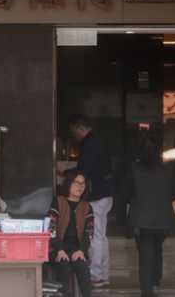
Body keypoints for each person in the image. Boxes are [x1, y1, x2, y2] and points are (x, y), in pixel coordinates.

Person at [57, 114, 114, 288]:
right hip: (106, 194)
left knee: (95, 237)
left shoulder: (91, 144)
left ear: (81, 128)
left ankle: (96, 276)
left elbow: (82, 171)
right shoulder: (98, 141)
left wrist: (65, 173)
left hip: (96, 196)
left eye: (74, 132)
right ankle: (103, 275)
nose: (73, 136)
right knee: (101, 237)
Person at [122, 136, 175, 297]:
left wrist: (139, 200)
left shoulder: (134, 170)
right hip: (164, 222)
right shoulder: (169, 170)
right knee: (157, 250)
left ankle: (147, 292)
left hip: (142, 223)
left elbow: (124, 195)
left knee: (146, 257)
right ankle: (156, 284)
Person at [48, 170, 94, 297]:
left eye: (83, 184)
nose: (80, 186)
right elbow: (52, 228)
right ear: (68, 183)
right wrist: (59, 249)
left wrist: (81, 250)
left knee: (81, 265)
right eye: (77, 182)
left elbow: (89, 232)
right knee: (64, 264)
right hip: (56, 249)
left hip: (76, 249)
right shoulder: (58, 202)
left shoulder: (87, 206)